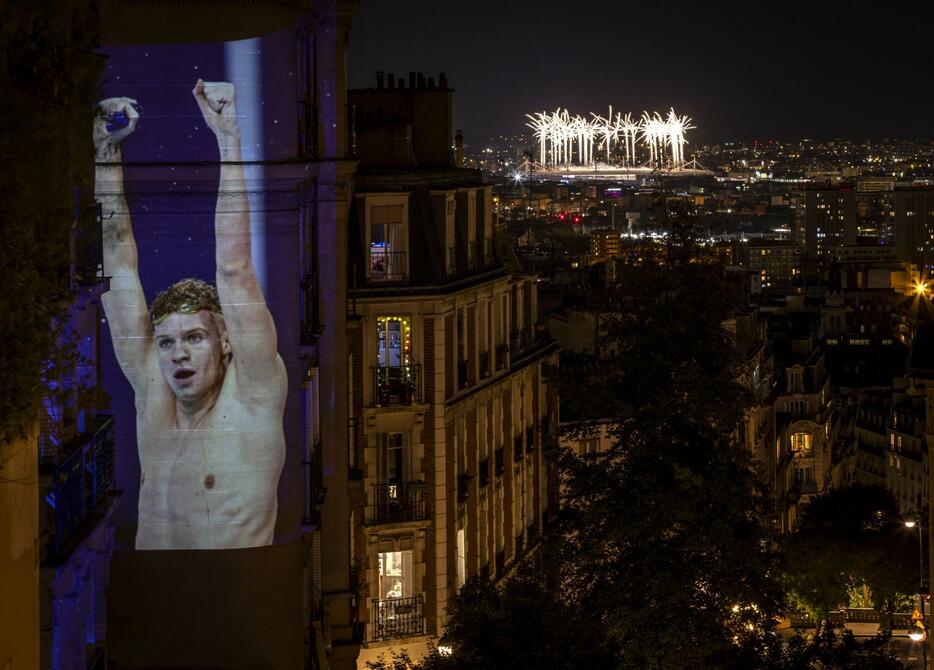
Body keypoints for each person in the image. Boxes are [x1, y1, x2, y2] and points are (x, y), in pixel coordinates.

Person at [94, 80, 287, 550]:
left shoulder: (254, 395)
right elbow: (116, 266)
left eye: (195, 338)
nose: (178, 355)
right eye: (167, 342)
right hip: (149, 603)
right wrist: (104, 151)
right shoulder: (152, 389)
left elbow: (235, 268)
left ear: (224, 341)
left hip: (235, 600)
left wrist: (228, 138)